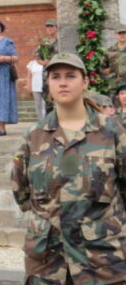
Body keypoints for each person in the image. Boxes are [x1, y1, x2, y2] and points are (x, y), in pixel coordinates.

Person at [11, 52, 126, 283]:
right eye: (55, 77)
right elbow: (21, 191)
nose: (62, 82)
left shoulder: (112, 131)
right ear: (48, 84)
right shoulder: (34, 136)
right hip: (48, 263)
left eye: (71, 76)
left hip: (101, 262)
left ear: (85, 82)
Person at [35, 18, 59, 114]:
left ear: (56, 28)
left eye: (51, 26)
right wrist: (44, 62)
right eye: (48, 27)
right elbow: (37, 57)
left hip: (58, 72)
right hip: (47, 74)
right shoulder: (43, 43)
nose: (49, 29)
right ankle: (49, 119)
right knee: (47, 98)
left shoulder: (61, 41)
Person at [100, 26, 126, 95]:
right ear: (115, 35)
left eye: (124, 33)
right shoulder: (109, 51)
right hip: (114, 87)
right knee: (114, 101)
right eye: (120, 33)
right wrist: (113, 71)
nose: (122, 35)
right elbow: (102, 68)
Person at [25, 50, 45, 121]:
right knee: (38, 104)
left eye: (39, 54)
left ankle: (45, 120)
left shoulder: (45, 63)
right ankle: (40, 120)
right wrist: (29, 86)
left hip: (45, 87)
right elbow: (29, 77)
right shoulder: (31, 64)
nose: (37, 56)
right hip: (35, 87)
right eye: (36, 54)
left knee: (44, 104)